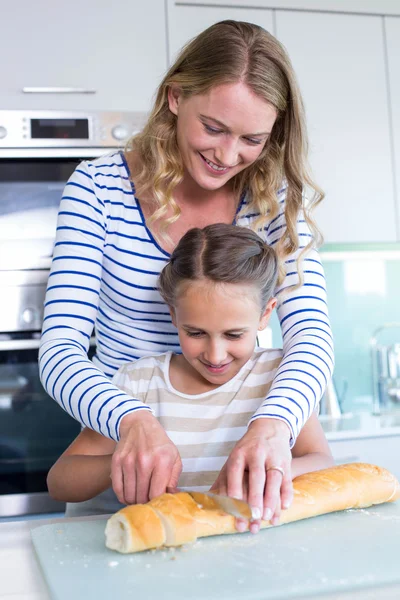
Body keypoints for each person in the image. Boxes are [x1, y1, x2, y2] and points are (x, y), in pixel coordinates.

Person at [39, 20, 334, 523]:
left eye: (252, 139)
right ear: (176, 97)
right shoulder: (97, 189)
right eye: (214, 128)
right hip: (126, 481)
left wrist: (272, 425)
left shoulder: (276, 200)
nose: (227, 155)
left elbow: (312, 338)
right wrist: (131, 420)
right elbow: (59, 351)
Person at [47, 224, 334, 530]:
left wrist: (265, 475)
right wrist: (126, 462)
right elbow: (60, 481)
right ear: (173, 314)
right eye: (195, 333)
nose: (215, 354)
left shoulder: (279, 378)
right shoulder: (139, 383)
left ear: (266, 314)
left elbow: (321, 461)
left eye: (234, 334)